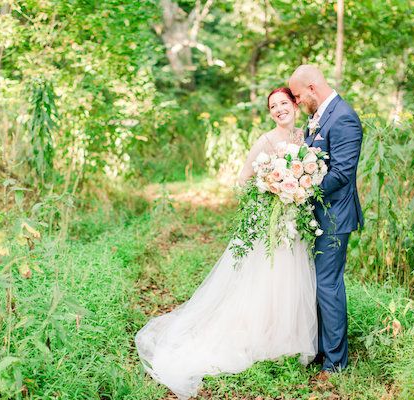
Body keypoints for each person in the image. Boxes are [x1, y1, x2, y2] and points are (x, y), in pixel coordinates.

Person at [135, 87, 318, 399]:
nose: (278, 110)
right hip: (270, 222)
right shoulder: (266, 141)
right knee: (267, 278)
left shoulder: (306, 137)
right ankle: (259, 335)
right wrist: (271, 189)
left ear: (295, 105)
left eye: (283, 103)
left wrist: (300, 189)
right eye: (273, 106)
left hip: (295, 222)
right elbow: (242, 179)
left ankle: (287, 337)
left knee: (292, 278)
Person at [289, 65, 364, 374]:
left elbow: (342, 173)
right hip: (317, 215)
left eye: (297, 96)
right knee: (317, 283)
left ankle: (336, 364)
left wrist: (302, 190)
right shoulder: (317, 118)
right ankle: (321, 350)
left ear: (312, 89)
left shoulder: (344, 117)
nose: (296, 103)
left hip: (335, 216)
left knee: (327, 286)